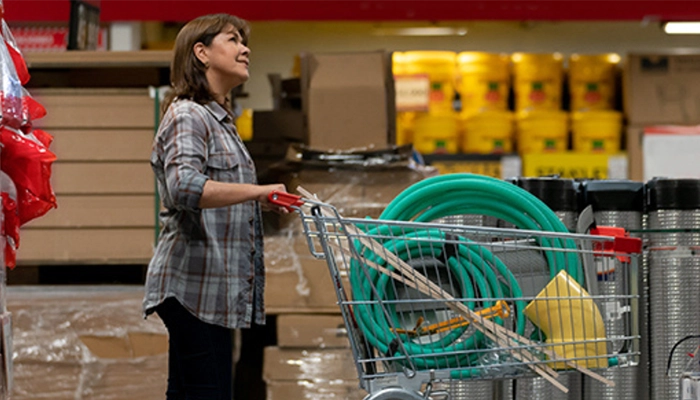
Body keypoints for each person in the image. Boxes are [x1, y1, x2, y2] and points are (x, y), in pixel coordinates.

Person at [142, 13, 288, 400]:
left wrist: (263, 203)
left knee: (190, 392)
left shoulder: (220, 120)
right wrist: (256, 192)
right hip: (193, 286)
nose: (245, 49)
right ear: (202, 53)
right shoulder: (189, 114)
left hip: (212, 289)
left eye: (244, 41)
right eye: (233, 40)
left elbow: (216, 193)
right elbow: (184, 187)